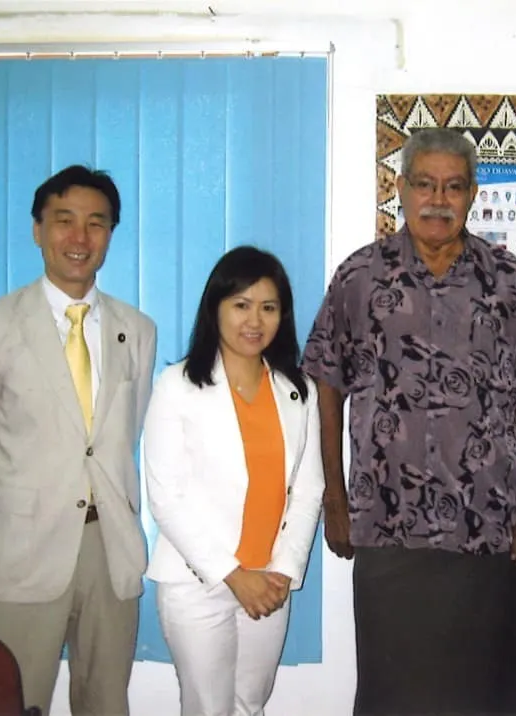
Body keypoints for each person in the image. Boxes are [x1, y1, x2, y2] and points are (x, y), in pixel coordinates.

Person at [302, 127, 516, 716]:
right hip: (386, 522)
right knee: (395, 694)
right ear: (401, 188)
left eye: (453, 186)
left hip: (486, 523)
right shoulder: (359, 276)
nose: (438, 199)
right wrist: (335, 499)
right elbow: (327, 385)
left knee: (485, 694)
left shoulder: (508, 279)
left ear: (473, 194)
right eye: (424, 184)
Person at [0, 165, 157, 715]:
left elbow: (126, 431)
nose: (79, 237)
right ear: (37, 229)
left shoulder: (137, 329)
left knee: (105, 702)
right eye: (64, 220)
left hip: (108, 546)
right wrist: (21, 503)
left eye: (96, 223)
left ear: (110, 233)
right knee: (11, 700)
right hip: (24, 547)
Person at [143, 246, 323, 716]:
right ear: (216, 308)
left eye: (268, 307)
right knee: (209, 709)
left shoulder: (298, 390)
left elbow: (309, 491)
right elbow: (165, 498)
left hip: (270, 580)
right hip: (197, 582)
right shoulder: (177, 385)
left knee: (249, 705)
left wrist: (283, 569)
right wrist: (233, 575)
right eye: (241, 305)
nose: (254, 320)